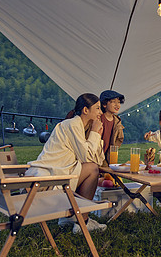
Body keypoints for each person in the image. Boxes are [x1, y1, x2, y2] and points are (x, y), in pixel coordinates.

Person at [25, 93, 107, 234]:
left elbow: (97, 158)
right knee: (93, 170)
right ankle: (83, 222)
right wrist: (95, 133)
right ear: (85, 110)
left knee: (92, 168)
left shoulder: (79, 127)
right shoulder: (72, 124)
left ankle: (69, 218)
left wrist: (96, 134)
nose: (101, 112)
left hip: (57, 174)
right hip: (48, 182)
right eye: (98, 108)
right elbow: (88, 158)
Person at [99, 90, 125, 164]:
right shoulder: (99, 119)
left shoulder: (117, 121)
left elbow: (119, 139)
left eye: (119, 102)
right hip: (97, 156)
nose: (117, 105)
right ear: (104, 104)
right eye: (113, 102)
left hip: (109, 158)